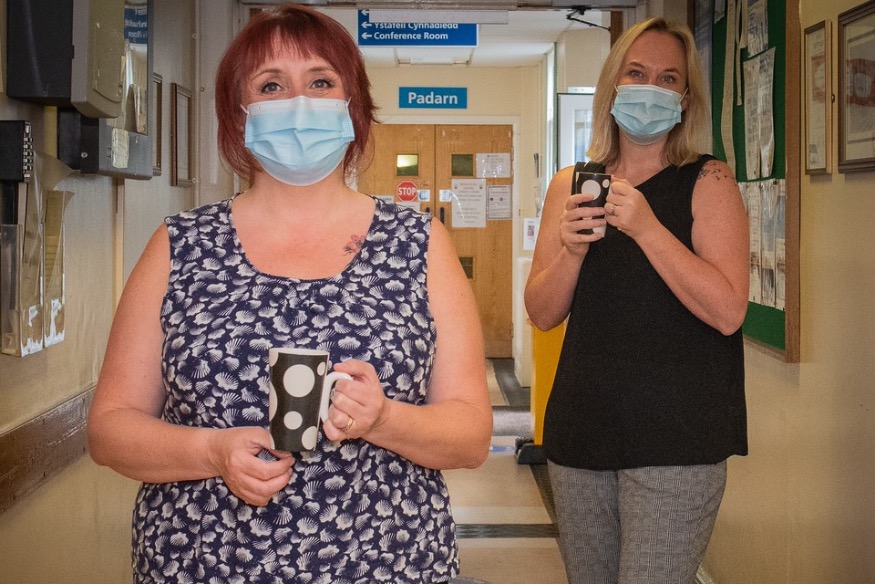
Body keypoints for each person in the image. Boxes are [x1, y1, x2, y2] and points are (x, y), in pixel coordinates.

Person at [87, 5, 493, 583]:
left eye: (321, 82)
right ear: (238, 113)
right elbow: (110, 429)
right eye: (271, 85)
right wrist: (210, 453)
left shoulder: (419, 244)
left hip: (387, 561)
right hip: (204, 562)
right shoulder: (181, 245)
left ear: (353, 106)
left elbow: (471, 435)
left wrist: (383, 419)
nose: (299, 103)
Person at [525, 17, 749, 584]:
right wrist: (572, 251)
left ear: (685, 97)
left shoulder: (710, 180)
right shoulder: (571, 184)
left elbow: (728, 311)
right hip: (584, 428)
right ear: (613, 85)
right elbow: (542, 313)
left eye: (668, 78)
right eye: (637, 73)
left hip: (679, 435)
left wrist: (648, 229)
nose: (651, 88)